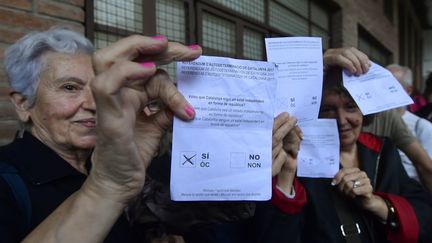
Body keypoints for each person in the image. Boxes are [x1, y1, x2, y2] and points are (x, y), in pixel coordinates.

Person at [0, 27, 203, 242]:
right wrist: (107, 187)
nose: (94, 104)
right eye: (70, 87)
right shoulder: (7, 182)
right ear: (23, 104)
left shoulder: (112, 159)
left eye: (97, 88)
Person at [273, 48, 432, 243]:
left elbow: (424, 212)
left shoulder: (383, 150)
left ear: (364, 111)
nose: (341, 120)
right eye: (328, 109)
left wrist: (376, 203)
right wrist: (286, 175)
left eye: (350, 107)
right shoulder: (297, 161)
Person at [386, 64, 432, 182]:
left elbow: (428, 170)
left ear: (408, 90)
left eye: (391, 86)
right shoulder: (368, 122)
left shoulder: (422, 126)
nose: (384, 90)